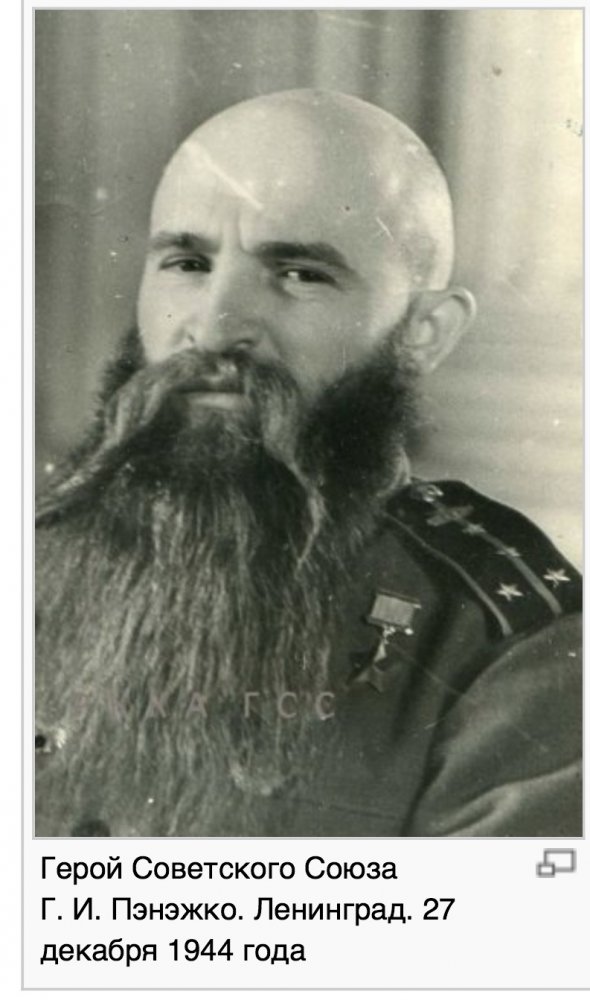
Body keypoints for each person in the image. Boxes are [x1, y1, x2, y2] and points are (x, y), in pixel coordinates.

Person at [35, 89, 581, 838]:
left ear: (423, 331)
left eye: (299, 273)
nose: (215, 328)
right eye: (187, 263)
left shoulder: (507, 647)